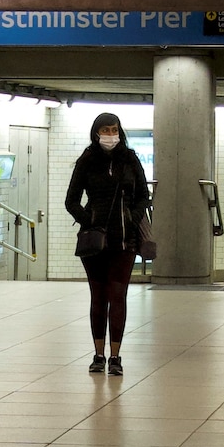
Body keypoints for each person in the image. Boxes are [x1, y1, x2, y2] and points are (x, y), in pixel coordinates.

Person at [65, 113, 150, 376]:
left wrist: (132, 218)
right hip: (95, 240)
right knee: (99, 296)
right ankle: (98, 354)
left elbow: (143, 196)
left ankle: (116, 356)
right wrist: (89, 219)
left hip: (125, 240)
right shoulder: (87, 160)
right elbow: (71, 200)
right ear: (96, 132)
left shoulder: (130, 159)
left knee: (118, 295)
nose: (110, 134)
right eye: (105, 130)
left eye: (114, 129)